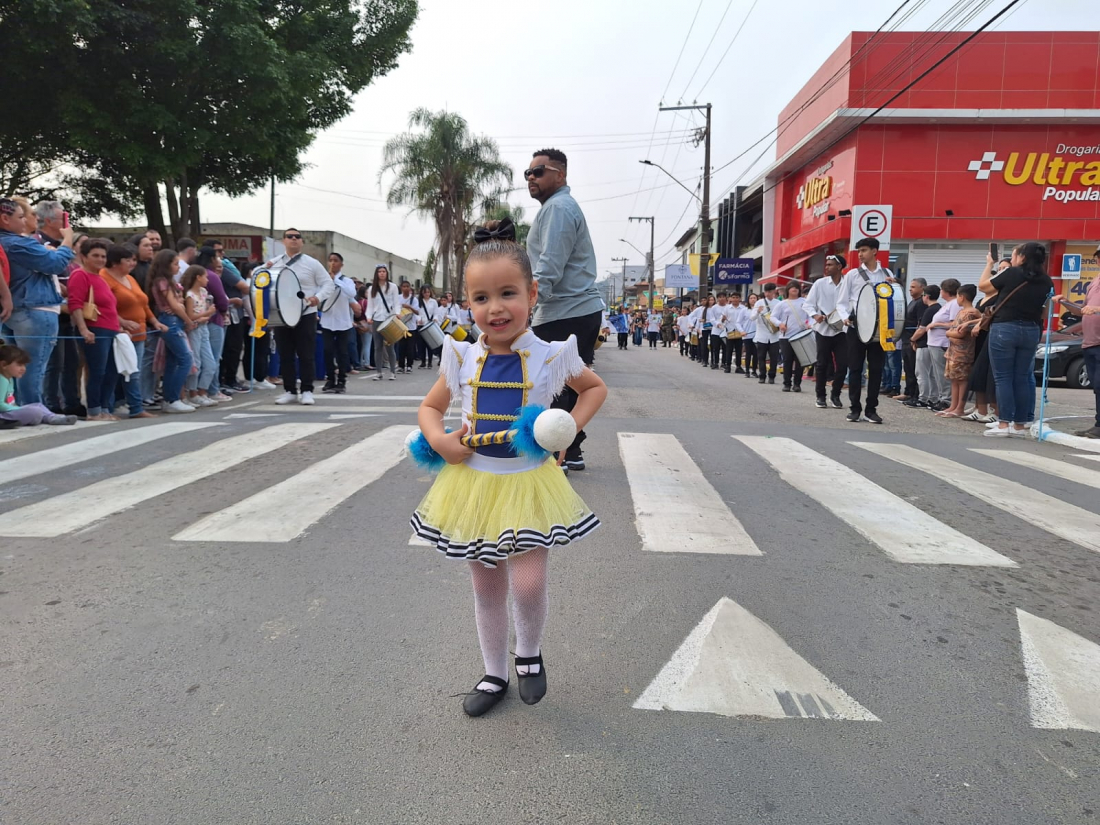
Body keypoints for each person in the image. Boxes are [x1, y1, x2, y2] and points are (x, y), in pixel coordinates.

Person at [411, 221, 607, 717]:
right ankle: (493, 672)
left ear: (532, 293)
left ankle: (529, 654)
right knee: (487, 586)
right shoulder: (461, 356)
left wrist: (564, 434)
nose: (495, 308)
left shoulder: (550, 354)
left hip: (528, 481)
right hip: (474, 484)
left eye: (507, 293)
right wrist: (438, 440)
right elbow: (430, 410)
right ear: (467, 303)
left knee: (529, 583)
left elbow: (594, 390)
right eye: (481, 297)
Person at [526, 149, 604, 473]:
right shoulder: (555, 208)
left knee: (554, 386)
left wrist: (525, 306)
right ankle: (570, 449)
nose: (531, 178)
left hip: (565, 310)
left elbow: (548, 269)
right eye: (528, 173)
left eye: (538, 171)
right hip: (570, 309)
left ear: (560, 175)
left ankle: (560, 451)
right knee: (566, 385)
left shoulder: (558, 208)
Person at [0, 197, 73, 406]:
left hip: (12, 309)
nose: (25, 221)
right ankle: (33, 408)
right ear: (5, 219)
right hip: (35, 309)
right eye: (21, 216)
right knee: (31, 367)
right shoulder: (18, 242)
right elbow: (56, 264)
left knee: (11, 367)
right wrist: (67, 239)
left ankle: (15, 407)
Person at [979, 243, 1054, 437]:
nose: (1012, 260)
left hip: (1005, 327)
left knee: (1003, 377)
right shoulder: (1047, 281)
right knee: (1021, 377)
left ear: (1022, 257)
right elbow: (1045, 311)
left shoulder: (1011, 273)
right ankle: (1020, 425)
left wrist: (990, 264)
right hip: (1031, 329)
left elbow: (983, 286)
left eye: (1014, 255)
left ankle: (1004, 424)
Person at [268, 228, 335, 405]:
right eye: (290, 237)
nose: (294, 239)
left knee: (306, 354)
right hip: (282, 315)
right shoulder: (273, 263)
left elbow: (328, 284)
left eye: (297, 237)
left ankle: (307, 390)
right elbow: (260, 279)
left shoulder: (311, 263)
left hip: (305, 313)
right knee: (285, 354)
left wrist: (317, 298)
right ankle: (290, 390)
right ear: (284, 241)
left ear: (302, 242)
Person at [102, 243, 164, 419]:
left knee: (133, 371)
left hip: (139, 332)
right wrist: (121, 323)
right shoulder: (105, 278)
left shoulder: (129, 278)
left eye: (133, 259)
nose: (132, 263)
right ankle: (115, 405)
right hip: (119, 333)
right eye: (128, 260)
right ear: (115, 262)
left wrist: (153, 321)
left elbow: (142, 303)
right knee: (117, 371)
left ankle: (135, 406)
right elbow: (106, 306)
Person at [836, 237, 895, 424]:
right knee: (855, 369)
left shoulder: (887, 273)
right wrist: (845, 316)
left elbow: (893, 301)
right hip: (856, 328)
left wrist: (894, 284)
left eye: (864, 250)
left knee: (876, 370)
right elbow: (842, 301)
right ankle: (854, 409)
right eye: (859, 251)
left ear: (875, 251)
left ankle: (871, 409)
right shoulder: (853, 274)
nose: (860, 254)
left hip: (879, 329)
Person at [67, 238, 121, 421]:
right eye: (95, 255)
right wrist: (83, 329)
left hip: (110, 330)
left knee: (111, 371)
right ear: (83, 257)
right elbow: (75, 303)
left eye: (103, 256)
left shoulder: (101, 278)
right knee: (98, 371)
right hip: (95, 329)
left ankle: (104, 407)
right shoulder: (80, 275)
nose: (100, 259)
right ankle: (94, 409)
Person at [1055, 252, 1100, 438]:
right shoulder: (1094, 281)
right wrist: (1065, 303)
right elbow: (1082, 311)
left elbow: (1093, 309)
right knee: (1096, 385)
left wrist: (1097, 309)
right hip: (1090, 341)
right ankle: (1098, 424)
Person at [146, 250, 195, 413]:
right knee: (185, 358)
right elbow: (173, 305)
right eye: (175, 264)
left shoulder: (165, 281)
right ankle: (173, 397)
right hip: (172, 322)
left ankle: (170, 398)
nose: (177, 267)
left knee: (173, 362)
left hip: (172, 321)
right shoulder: (163, 281)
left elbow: (177, 302)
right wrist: (188, 320)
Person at [804, 255, 848, 408]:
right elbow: (808, 304)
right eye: (826, 264)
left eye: (830, 265)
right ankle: (820, 396)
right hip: (823, 330)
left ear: (839, 267)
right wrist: (815, 315)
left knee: (842, 365)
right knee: (822, 364)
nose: (826, 267)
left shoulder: (848, 284)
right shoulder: (819, 284)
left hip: (843, 330)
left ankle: (835, 395)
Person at [0, 345, 77, 426]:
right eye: (19, 365)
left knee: (38, 405)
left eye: (24, 365)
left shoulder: (9, 379)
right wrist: (18, 409)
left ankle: (52, 418)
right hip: (3, 414)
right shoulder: (2, 380)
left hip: (7, 411)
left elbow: (9, 401)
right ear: (4, 364)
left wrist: (17, 408)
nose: (23, 369)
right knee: (35, 412)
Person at [194, 247, 232, 403]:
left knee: (200, 357)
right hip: (214, 320)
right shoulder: (211, 276)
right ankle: (212, 389)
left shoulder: (193, 273)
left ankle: (198, 389)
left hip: (199, 320)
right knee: (213, 357)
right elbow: (222, 300)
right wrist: (223, 312)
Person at [938, 284, 982, 418]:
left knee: (962, 380)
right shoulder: (961, 311)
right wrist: (951, 331)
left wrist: (948, 334)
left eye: (957, 295)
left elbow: (961, 333)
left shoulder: (970, 313)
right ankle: (953, 405)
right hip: (954, 351)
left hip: (963, 353)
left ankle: (959, 407)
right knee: (954, 379)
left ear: (961, 297)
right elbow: (954, 327)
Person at [180, 264, 219, 407]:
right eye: (205, 277)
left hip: (203, 328)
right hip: (194, 329)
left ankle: (202, 391)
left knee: (209, 362)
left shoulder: (203, 292)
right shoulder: (190, 295)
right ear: (198, 277)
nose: (207, 280)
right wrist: (207, 314)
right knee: (195, 361)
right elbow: (191, 315)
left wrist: (204, 316)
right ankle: (192, 392)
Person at [320, 252, 356, 393]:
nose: (332, 263)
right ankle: (330, 379)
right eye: (330, 260)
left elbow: (351, 293)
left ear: (341, 264)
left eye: (335, 260)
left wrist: (336, 280)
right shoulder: (323, 280)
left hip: (343, 322)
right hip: (327, 321)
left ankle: (341, 380)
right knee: (328, 351)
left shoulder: (346, 281)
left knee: (342, 352)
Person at [923, 278, 960, 412]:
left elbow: (954, 323)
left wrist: (936, 324)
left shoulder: (954, 304)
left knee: (942, 373)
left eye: (942, 289)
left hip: (941, 342)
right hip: (934, 342)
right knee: (937, 373)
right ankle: (941, 397)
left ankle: (946, 399)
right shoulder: (947, 304)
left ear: (946, 291)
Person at [908, 284, 943, 409]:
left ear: (926, 296)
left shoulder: (930, 310)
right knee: (932, 373)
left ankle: (923, 398)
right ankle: (933, 397)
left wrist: (912, 339)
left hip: (924, 344)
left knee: (922, 372)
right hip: (932, 344)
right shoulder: (939, 308)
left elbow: (921, 329)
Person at [894, 277, 927, 402]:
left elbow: (920, 323)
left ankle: (915, 394)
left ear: (922, 288)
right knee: (907, 367)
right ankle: (908, 391)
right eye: (910, 287)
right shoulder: (912, 301)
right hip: (905, 339)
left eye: (913, 287)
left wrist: (915, 339)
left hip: (913, 339)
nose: (910, 289)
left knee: (914, 368)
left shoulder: (921, 303)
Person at [365, 264, 400, 381]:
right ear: (376, 273)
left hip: (389, 319)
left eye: (384, 271)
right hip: (376, 319)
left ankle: (392, 372)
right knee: (377, 347)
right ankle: (378, 372)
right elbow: (370, 305)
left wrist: (397, 313)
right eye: (379, 271)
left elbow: (396, 302)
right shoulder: (371, 289)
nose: (382, 273)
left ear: (387, 273)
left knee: (390, 347)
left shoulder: (393, 287)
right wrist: (368, 317)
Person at [772, 283, 809, 391]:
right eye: (792, 288)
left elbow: (810, 316)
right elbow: (773, 317)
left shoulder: (805, 302)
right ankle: (787, 383)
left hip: (801, 335)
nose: (794, 289)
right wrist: (780, 324)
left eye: (796, 288)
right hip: (785, 337)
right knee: (787, 360)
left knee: (800, 361)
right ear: (788, 290)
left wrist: (809, 324)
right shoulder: (782, 304)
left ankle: (797, 383)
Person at [751, 283, 782, 384]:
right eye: (766, 292)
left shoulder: (778, 303)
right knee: (761, 356)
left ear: (774, 291)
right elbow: (752, 318)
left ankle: (772, 376)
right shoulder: (759, 302)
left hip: (774, 335)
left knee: (774, 357)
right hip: (762, 334)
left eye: (770, 291)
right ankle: (762, 375)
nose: (768, 294)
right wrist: (757, 312)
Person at [707, 292, 735, 372]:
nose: (722, 298)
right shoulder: (714, 308)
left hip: (726, 330)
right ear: (718, 298)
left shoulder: (729, 307)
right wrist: (718, 324)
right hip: (716, 330)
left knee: (725, 347)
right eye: (720, 297)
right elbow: (712, 319)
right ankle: (715, 362)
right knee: (716, 347)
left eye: (723, 297)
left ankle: (724, 363)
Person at [412, 284, 438, 369]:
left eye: (428, 292)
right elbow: (417, 313)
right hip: (421, 324)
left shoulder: (433, 302)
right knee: (421, 344)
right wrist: (418, 319)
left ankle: (429, 362)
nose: (426, 294)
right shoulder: (418, 301)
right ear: (422, 293)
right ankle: (423, 361)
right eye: (424, 292)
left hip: (430, 324)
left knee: (430, 344)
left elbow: (436, 313)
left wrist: (435, 318)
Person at [726, 292, 750, 374]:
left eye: (737, 297)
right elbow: (721, 320)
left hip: (740, 331)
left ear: (739, 299)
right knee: (729, 350)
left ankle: (738, 366)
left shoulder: (743, 308)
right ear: (731, 298)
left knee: (739, 350)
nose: (735, 299)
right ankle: (728, 366)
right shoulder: (727, 308)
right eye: (733, 297)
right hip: (730, 331)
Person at [743, 293, 759, 377]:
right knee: (748, 353)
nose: (753, 299)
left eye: (755, 298)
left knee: (756, 353)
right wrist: (742, 331)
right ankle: (747, 371)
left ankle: (754, 371)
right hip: (747, 334)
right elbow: (738, 322)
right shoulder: (744, 310)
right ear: (748, 300)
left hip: (757, 334)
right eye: (751, 298)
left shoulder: (759, 310)